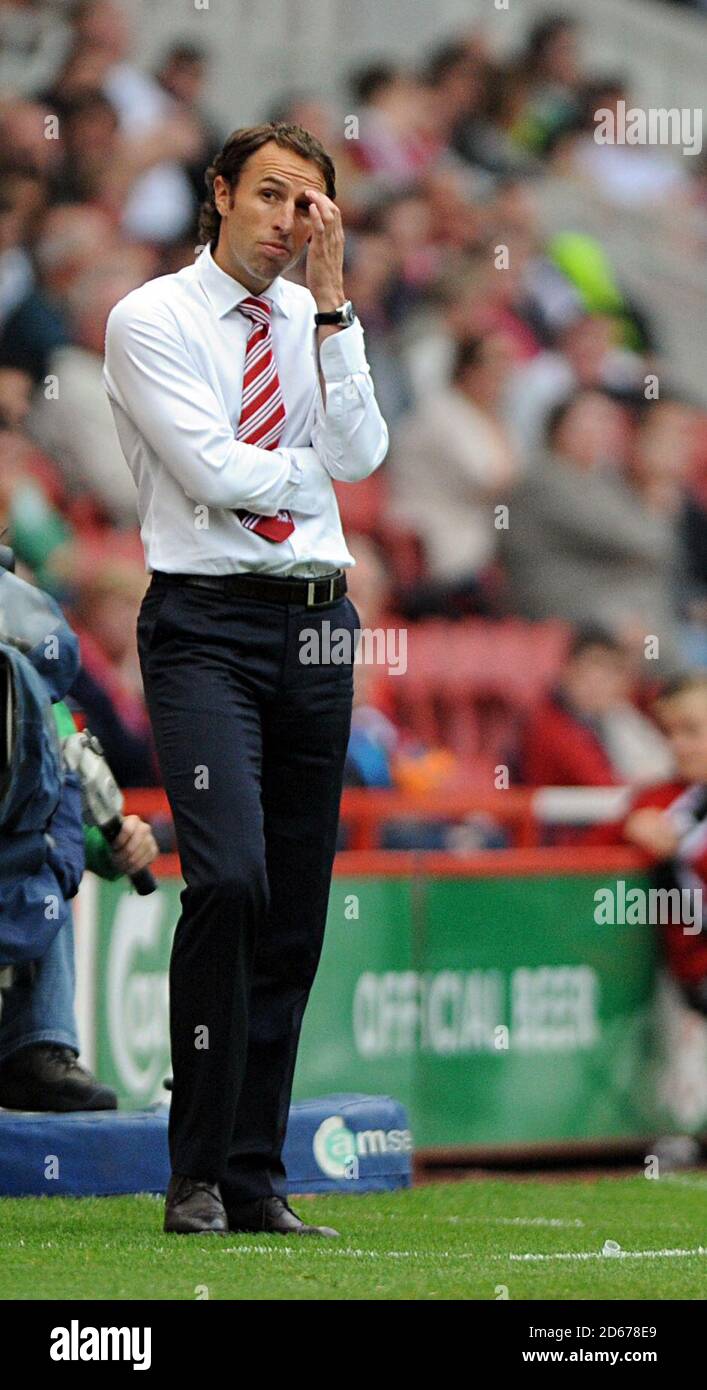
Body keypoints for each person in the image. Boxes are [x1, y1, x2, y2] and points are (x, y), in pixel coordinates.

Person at [103, 121, 388, 1237]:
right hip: (207, 621)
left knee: (296, 912)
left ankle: (254, 1176)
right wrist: (307, 465)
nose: (286, 220)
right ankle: (194, 1173)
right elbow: (215, 473)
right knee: (228, 879)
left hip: (318, 621)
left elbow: (360, 454)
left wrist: (332, 309)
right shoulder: (151, 318)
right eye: (268, 195)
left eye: (307, 202)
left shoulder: (311, 317)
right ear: (217, 193)